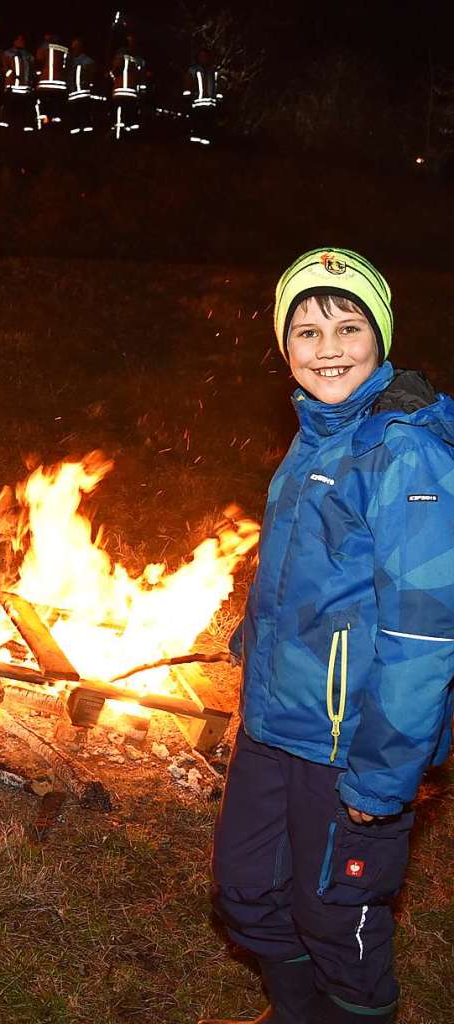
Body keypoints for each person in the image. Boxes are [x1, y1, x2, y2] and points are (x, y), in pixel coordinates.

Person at [199, 248, 454, 1024]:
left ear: (380, 336)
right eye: (306, 330)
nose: (328, 348)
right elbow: (294, 573)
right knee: (245, 889)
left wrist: (383, 776)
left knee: (339, 918)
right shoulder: (316, 433)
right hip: (279, 723)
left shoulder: (400, 451)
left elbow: (425, 638)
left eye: (348, 326)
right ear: (284, 345)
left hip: (350, 744)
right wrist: (252, 650)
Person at [109, 34, 147, 139]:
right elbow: (142, 78)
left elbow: (112, 72)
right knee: (129, 116)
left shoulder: (121, 57)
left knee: (121, 116)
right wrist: (142, 92)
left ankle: (119, 137)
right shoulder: (139, 60)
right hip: (130, 93)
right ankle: (128, 137)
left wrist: (115, 81)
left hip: (121, 92)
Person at [184, 47, 223, 145]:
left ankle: (206, 144)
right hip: (197, 103)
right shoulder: (193, 70)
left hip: (210, 104)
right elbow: (187, 84)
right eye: (201, 56)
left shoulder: (214, 71)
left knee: (208, 125)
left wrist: (219, 98)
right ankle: (195, 142)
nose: (203, 58)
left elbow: (218, 85)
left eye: (205, 56)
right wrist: (188, 97)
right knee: (197, 124)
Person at [0, 33, 37, 132]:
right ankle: (6, 129)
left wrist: (31, 82)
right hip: (12, 87)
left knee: (24, 110)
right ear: (14, 41)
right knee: (9, 109)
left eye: (23, 40)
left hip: (25, 88)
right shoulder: (7, 53)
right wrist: (11, 75)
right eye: (19, 39)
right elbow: (4, 68)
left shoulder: (28, 56)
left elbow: (32, 70)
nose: (21, 42)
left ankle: (26, 129)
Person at [35, 32, 69, 126]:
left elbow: (38, 64)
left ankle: (44, 122)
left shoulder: (42, 48)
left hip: (44, 84)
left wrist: (37, 78)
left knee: (44, 105)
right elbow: (66, 66)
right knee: (56, 105)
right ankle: (56, 122)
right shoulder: (64, 49)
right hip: (59, 85)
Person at [67, 37, 98, 136]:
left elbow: (92, 75)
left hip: (83, 93)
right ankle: (76, 134)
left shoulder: (87, 61)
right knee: (75, 115)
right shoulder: (70, 60)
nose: (75, 48)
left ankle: (85, 134)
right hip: (73, 94)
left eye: (77, 46)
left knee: (83, 113)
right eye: (74, 46)